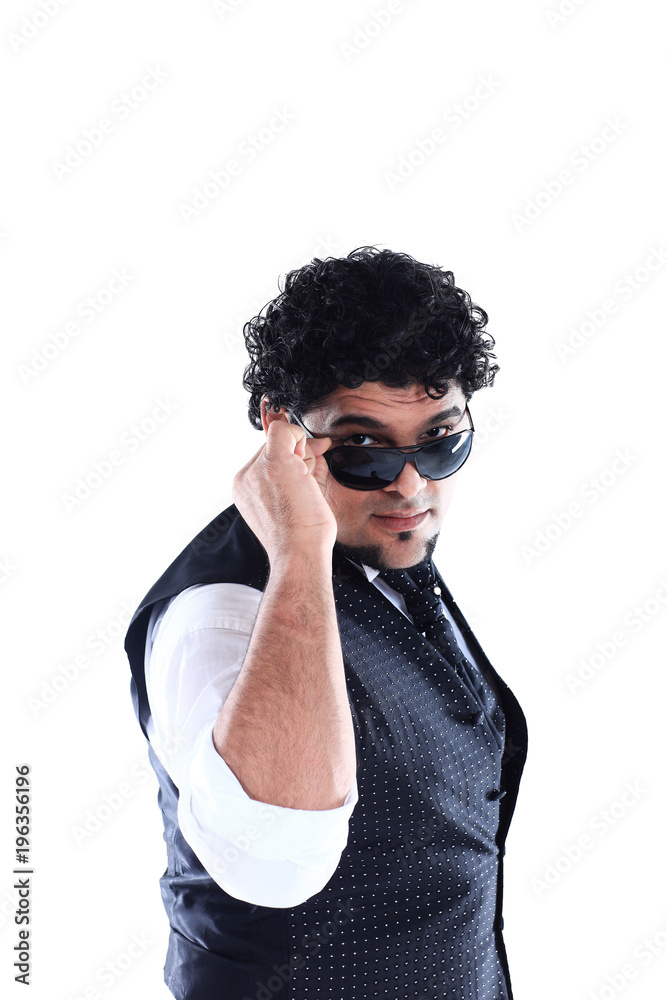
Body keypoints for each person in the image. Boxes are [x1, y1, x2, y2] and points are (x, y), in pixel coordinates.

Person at [123, 246, 528, 1000]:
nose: (410, 485)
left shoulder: (388, 562)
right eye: (362, 451)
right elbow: (274, 861)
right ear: (284, 432)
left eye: (441, 440)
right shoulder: (221, 613)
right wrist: (299, 550)